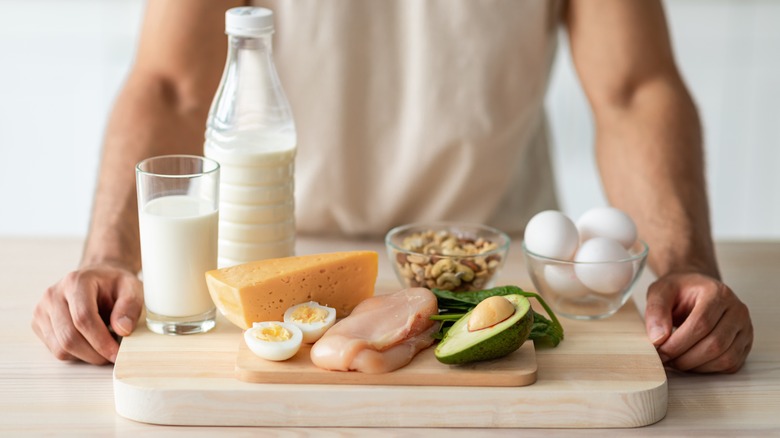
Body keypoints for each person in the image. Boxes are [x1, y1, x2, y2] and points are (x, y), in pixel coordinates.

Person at [32, 0, 753, 373]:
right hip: (281, 271)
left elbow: (635, 89)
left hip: (490, 270)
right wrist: (108, 254)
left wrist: (686, 266)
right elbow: (170, 84)